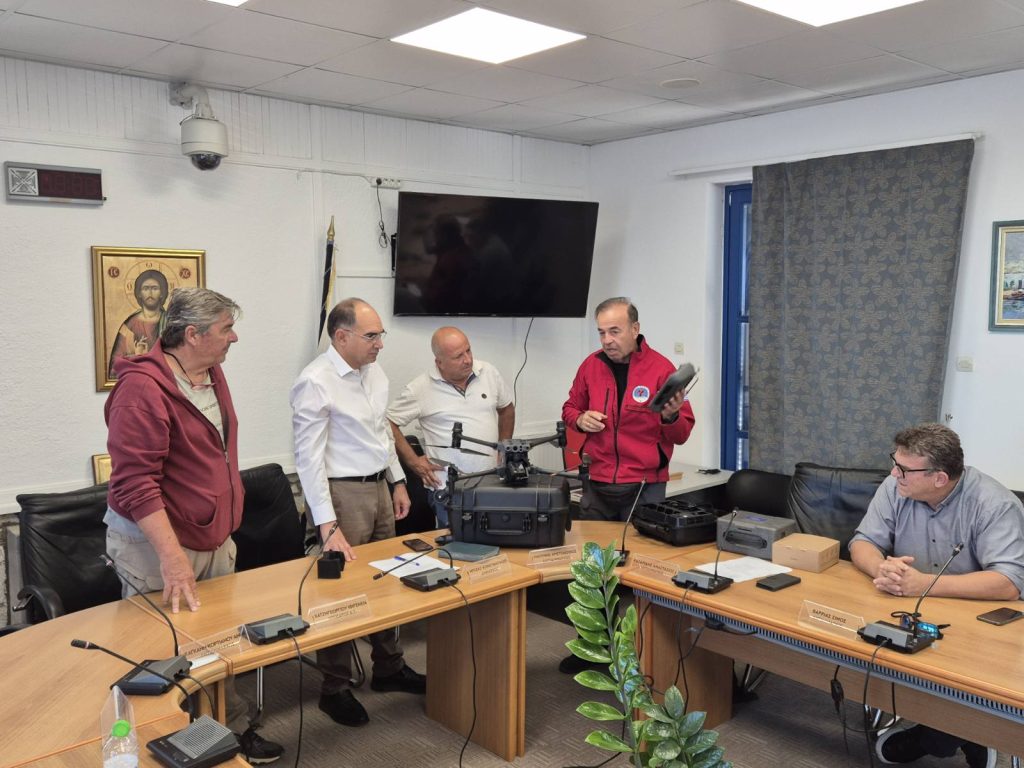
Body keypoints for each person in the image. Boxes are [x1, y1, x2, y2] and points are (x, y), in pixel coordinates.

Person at [104, 287, 284, 765]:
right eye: (226, 329)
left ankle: (226, 734)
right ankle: (165, 747)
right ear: (192, 334)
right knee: (162, 656)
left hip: (211, 536)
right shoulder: (141, 389)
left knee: (217, 645)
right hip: (159, 546)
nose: (234, 338)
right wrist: (173, 559)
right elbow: (135, 484)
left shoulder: (211, 372)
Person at [850, 423, 1024, 768]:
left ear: (939, 478)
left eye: (903, 469)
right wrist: (881, 568)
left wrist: (924, 584)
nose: (893, 473)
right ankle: (963, 733)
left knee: (959, 685)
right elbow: (863, 542)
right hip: (908, 609)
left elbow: (1009, 582)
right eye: (895, 463)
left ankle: (944, 736)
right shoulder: (895, 487)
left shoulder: (994, 504)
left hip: (978, 623)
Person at [290, 298, 426, 728]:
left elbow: (381, 431)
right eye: (372, 336)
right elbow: (308, 459)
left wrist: (398, 480)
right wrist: (327, 524)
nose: (380, 344)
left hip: (378, 487)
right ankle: (335, 687)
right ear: (341, 336)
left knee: (386, 580)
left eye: (381, 334)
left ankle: (389, 667)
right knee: (338, 592)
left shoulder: (374, 372)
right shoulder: (315, 381)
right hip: (341, 495)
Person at [562, 297, 695, 521]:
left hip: (645, 486)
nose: (607, 340)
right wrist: (580, 419)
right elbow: (569, 408)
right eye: (602, 333)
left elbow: (681, 435)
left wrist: (671, 417)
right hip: (597, 482)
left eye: (614, 331)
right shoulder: (590, 366)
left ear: (635, 329)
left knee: (640, 544)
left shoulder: (662, 370)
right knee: (592, 545)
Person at [387, 326, 515, 526]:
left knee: (496, 539)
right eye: (458, 356)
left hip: (491, 483)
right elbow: (388, 422)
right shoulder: (420, 388)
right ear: (439, 362)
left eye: (468, 350)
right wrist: (413, 462)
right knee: (457, 543)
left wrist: (504, 447)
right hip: (449, 491)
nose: (468, 360)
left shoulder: (488, 372)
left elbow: (506, 408)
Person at [108, 269, 169, 378]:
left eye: (155, 288)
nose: (150, 293)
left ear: (162, 293)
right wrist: (137, 356)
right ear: (139, 293)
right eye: (145, 288)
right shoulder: (130, 325)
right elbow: (114, 368)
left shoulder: (170, 322)